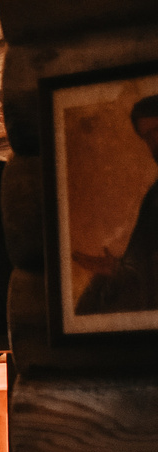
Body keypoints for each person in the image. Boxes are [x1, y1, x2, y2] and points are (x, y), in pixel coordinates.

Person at [74, 93, 158, 315]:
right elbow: (142, 260)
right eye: (147, 136)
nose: (155, 142)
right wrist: (116, 269)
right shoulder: (154, 196)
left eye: (157, 130)